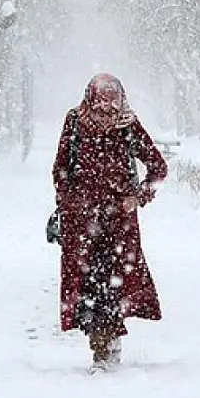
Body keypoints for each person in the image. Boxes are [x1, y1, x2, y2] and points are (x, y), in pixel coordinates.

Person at [51, 73, 168, 371]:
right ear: (90, 100)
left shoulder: (128, 125)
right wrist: (68, 204)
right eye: (100, 107)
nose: (105, 115)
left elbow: (158, 168)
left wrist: (139, 196)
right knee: (88, 287)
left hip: (120, 225)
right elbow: (61, 168)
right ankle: (100, 345)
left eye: (111, 108)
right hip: (82, 224)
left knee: (113, 285)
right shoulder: (75, 122)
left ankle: (107, 346)